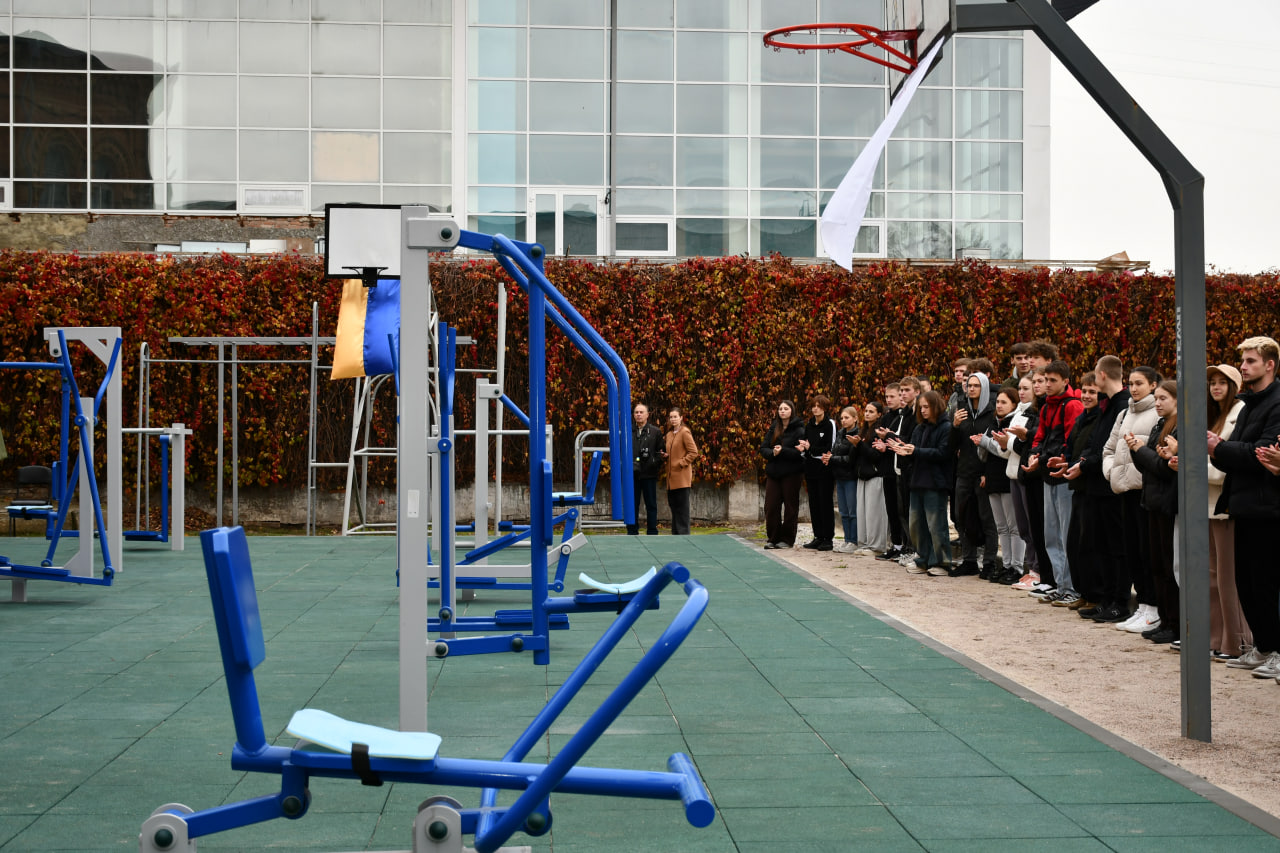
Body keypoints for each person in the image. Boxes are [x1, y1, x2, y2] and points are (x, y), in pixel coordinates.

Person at [1208, 337, 1280, 678]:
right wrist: (1222, 450)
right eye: (1243, 360)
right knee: (1247, 582)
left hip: (1268, 507)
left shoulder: (1276, 403)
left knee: (1265, 582)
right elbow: (1243, 453)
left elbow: (1261, 454)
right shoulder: (1250, 404)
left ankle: (1276, 649)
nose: (1244, 366)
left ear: (1270, 364)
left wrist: (1219, 447)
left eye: (1251, 361)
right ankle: (1263, 646)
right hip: (1244, 504)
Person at [1072, 356, 1132, 624]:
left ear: (1102, 375)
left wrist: (1086, 464)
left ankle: (1120, 602)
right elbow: (1098, 443)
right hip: (1096, 484)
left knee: (1116, 547)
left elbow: (1113, 448)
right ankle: (1106, 600)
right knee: (1101, 546)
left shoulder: (1122, 405)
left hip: (1111, 486)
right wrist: (1082, 462)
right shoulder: (1108, 405)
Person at [1103, 367, 1162, 634]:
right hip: (1123, 490)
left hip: (1144, 490)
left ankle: (1153, 608)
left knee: (1148, 552)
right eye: (1131, 383)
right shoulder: (1124, 413)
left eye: (1139, 383)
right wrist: (1111, 472)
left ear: (1153, 385)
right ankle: (1144, 606)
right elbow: (1109, 448)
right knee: (1133, 551)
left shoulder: (1157, 412)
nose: (1134, 388)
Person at [1028, 360, 1084, 606]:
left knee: (1065, 533)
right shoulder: (1046, 407)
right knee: (1051, 534)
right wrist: (1035, 455)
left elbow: (1071, 440)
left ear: (1065, 381)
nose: (1048, 385)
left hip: (1063, 477)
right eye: (1046, 380)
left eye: (1052, 380)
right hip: (1047, 475)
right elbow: (1040, 437)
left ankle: (1071, 587)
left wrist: (1055, 458)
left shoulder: (1072, 405)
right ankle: (1061, 585)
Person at [1205, 364, 1251, 661]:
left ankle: (1237, 641)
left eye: (1223, 382)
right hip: (1207, 504)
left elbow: (1226, 465)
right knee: (1211, 577)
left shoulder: (1239, 413)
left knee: (1227, 578)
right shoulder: (1213, 416)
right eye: (1212, 382)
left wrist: (1193, 469)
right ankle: (1216, 637)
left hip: (1225, 504)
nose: (1216, 387)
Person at [1128, 379, 1179, 644]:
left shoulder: (1178, 428)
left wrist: (1141, 450)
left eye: (1163, 398)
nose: (1157, 403)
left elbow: (1164, 469)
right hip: (1152, 500)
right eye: (1156, 398)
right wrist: (1136, 451)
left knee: (1170, 567)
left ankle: (1175, 623)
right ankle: (1165, 619)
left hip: (1168, 503)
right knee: (1157, 565)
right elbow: (1148, 466)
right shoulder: (1159, 425)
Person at [888, 389, 953, 576]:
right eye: (921, 407)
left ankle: (941, 562)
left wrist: (915, 451)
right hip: (917, 481)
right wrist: (904, 451)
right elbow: (914, 453)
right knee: (917, 525)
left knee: (936, 525)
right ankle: (923, 559)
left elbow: (943, 453)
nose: (923, 410)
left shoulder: (946, 428)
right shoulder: (919, 428)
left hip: (936, 483)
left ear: (936, 406)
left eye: (926, 407)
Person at [951, 371, 998, 577]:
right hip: (963, 472)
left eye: (976, 385)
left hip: (983, 474)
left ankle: (989, 562)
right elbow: (952, 445)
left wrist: (988, 473)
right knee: (961, 517)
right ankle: (969, 560)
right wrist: (954, 426)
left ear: (984, 387)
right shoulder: (961, 411)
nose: (971, 389)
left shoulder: (992, 413)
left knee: (987, 519)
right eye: (969, 385)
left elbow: (994, 446)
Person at [978, 386, 1023, 584]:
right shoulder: (993, 423)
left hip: (1008, 478)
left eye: (1004, 402)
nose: (999, 405)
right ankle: (1006, 565)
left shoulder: (1014, 423)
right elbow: (985, 453)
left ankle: (1017, 567)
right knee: (1001, 527)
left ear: (1014, 404)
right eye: (997, 402)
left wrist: (986, 442)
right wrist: (982, 444)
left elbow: (1004, 450)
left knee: (1014, 527)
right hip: (993, 478)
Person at [759, 400, 806, 549]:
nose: (782, 411)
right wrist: (773, 452)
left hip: (792, 473)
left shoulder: (799, 429)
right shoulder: (774, 428)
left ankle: (787, 539)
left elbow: (799, 453)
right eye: (780, 409)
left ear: (791, 411)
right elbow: (763, 448)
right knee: (771, 506)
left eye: (786, 408)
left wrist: (782, 451)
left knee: (790, 507)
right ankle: (773, 538)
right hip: (774, 473)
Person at [798, 395, 838, 551]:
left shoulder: (830, 424)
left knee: (825, 503)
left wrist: (811, 449)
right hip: (811, 469)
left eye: (819, 406)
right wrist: (803, 448)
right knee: (814, 503)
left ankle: (827, 538)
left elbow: (830, 448)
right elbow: (806, 444)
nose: (815, 409)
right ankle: (818, 536)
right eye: (813, 406)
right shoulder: (809, 424)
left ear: (825, 408)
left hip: (825, 469)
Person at [853, 400, 893, 555]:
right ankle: (864, 543)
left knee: (874, 513)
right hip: (862, 475)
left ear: (879, 414)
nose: (867, 414)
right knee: (862, 513)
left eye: (871, 411)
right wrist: (855, 445)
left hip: (875, 475)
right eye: (866, 411)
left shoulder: (878, 432)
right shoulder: (863, 430)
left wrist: (860, 445)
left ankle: (876, 546)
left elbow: (875, 456)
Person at [829, 405, 862, 552]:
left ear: (855, 419)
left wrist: (833, 459)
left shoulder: (856, 435)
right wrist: (829, 457)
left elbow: (851, 459)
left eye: (847, 417)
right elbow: (834, 451)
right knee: (843, 511)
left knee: (852, 511)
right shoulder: (840, 433)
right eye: (842, 418)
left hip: (850, 477)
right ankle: (847, 539)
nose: (843, 420)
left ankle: (854, 541)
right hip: (839, 476)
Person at [627, 402, 664, 535]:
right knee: (632, 504)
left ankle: (652, 530)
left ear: (647, 415)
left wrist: (653, 463)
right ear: (633, 415)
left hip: (649, 474)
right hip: (632, 475)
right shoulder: (627, 431)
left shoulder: (655, 432)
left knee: (651, 504)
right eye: (636, 412)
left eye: (641, 412)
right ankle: (632, 531)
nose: (639, 415)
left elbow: (661, 452)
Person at [661, 407, 698, 535]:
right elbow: (671, 452)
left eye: (675, 416)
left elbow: (693, 452)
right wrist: (665, 456)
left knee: (682, 510)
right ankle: (676, 535)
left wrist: (681, 463)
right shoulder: (669, 434)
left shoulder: (685, 432)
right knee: (674, 508)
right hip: (671, 479)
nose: (673, 419)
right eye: (671, 417)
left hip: (682, 478)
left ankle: (684, 535)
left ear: (681, 418)